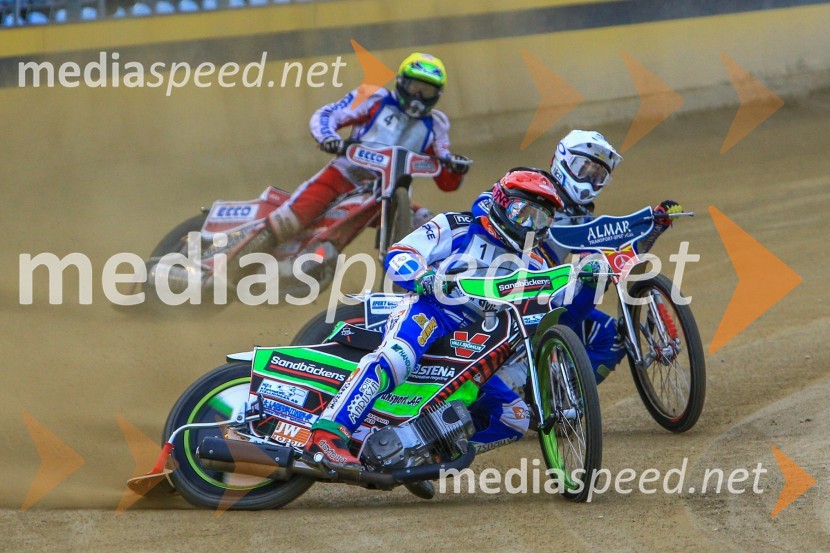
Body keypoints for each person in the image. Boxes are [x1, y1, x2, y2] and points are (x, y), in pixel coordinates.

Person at [303, 170, 565, 470]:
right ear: (502, 203)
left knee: (514, 417)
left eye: (541, 219)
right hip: (432, 311)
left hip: (480, 341)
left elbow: (546, 306)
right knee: (396, 358)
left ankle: (422, 454)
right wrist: (425, 278)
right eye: (524, 214)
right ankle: (326, 435)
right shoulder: (458, 225)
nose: (530, 226)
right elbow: (400, 253)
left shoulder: (537, 261)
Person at [262, 52, 470, 249]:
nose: (418, 96)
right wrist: (329, 139)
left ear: (437, 95)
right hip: (343, 175)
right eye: (415, 86)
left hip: (386, 192)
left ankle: (415, 277)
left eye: (427, 91)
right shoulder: (375, 98)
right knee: (289, 221)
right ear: (401, 82)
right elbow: (329, 114)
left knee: (429, 226)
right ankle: (236, 259)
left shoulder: (436, 125)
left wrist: (455, 168)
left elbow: (446, 180)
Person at [537, 130, 683, 384]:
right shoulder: (532, 188)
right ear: (562, 161)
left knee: (613, 336)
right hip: (511, 295)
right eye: (584, 168)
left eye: (597, 175)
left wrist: (655, 224)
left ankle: (567, 399)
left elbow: (618, 256)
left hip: (549, 299)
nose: (589, 179)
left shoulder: (582, 215)